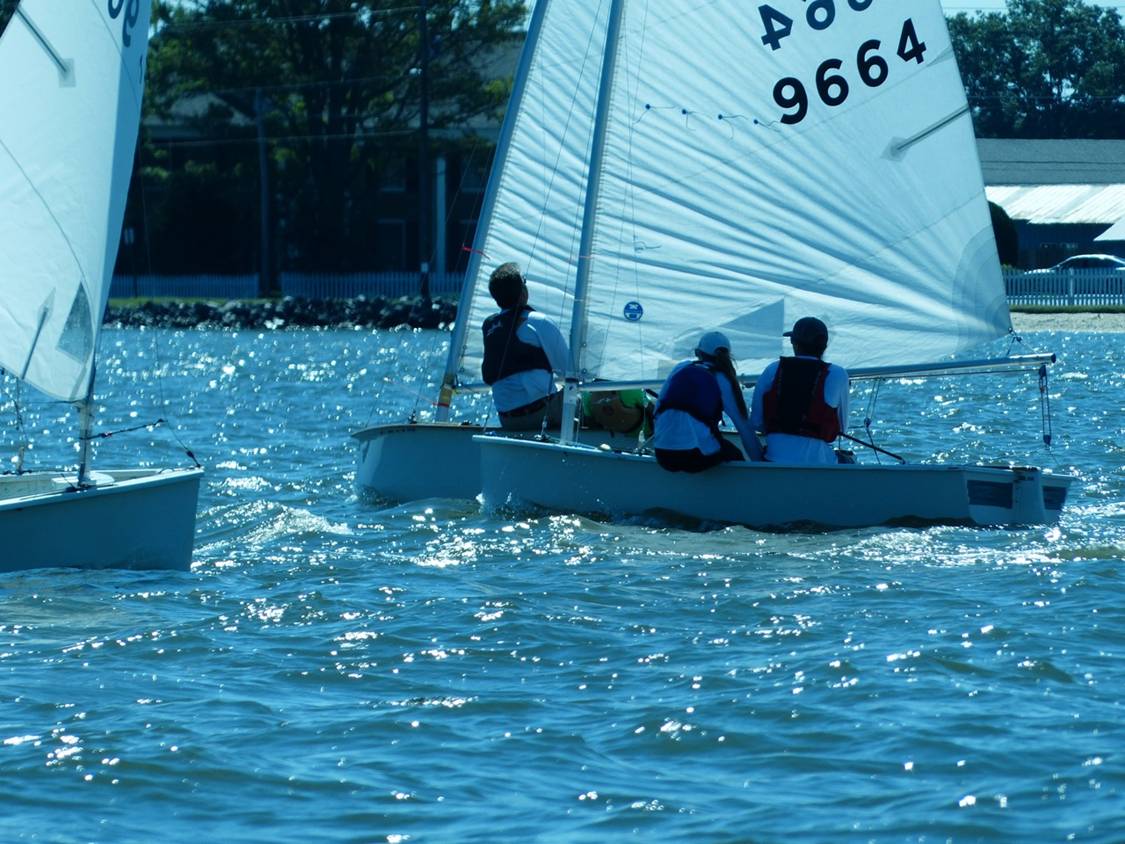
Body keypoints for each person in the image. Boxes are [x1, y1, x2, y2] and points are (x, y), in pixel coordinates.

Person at [652, 331, 763, 472]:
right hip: (695, 455)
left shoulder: (680, 368)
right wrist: (761, 465)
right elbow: (744, 428)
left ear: (698, 353)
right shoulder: (722, 378)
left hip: (662, 454)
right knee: (735, 455)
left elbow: (657, 410)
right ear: (727, 356)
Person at [481, 262, 570, 432]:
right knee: (588, 401)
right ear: (523, 292)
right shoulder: (538, 322)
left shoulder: (490, 328)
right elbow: (569, 371)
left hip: (507, 420)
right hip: (542, 414)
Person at [749, 316, 849, 464]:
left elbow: (756, 422)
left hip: (774, 461)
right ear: (824, 346)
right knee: (847, 460)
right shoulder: (838, 374)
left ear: (794, 343)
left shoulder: (772, 370)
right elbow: (842, 428)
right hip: (819, 463)